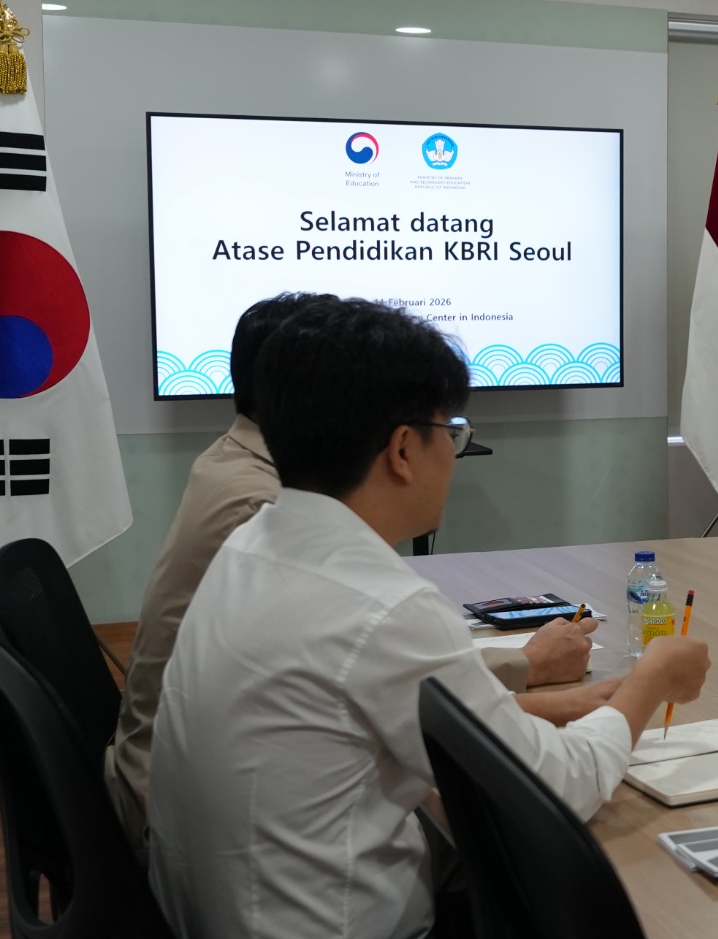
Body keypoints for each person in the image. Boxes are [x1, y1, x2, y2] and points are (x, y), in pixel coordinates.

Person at [145, 298, 708, 939]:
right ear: (404, 450)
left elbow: (353, 704)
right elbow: (555, 790)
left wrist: (559, 708)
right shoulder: (383, 605)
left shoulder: (258, 546)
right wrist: (652, 676)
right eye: (452, 429)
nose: (455, 452)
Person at [102, 293, 595, 843]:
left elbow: (363, 675)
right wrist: (621, 689)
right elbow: (536, 772)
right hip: (213, 825)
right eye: (449, 432)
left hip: (207, 812)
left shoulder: (246, 480)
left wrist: (544, 694)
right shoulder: (265, 513)